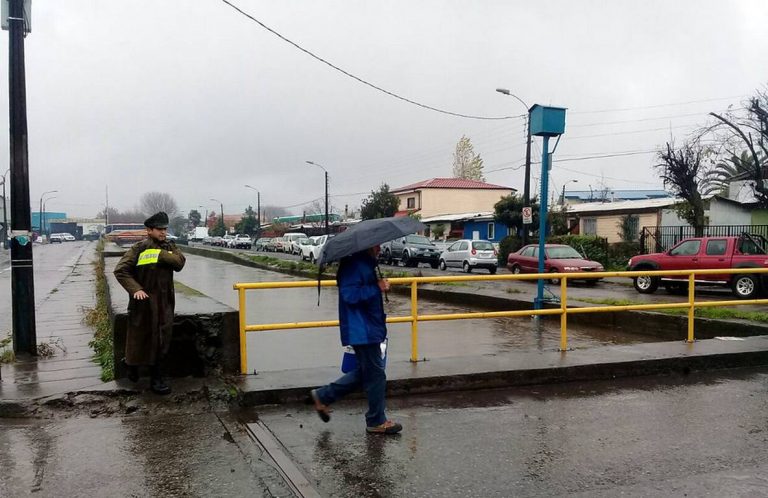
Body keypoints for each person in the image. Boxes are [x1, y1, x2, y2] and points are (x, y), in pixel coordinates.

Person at [311, 244, 402, 435]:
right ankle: (376, 420)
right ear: (367, 245)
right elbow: (349, 295)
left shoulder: (364, 263)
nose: (379, 249)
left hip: (368, 327)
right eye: (376, 246)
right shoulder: (354, 265)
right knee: (376, 374)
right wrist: (376, 287)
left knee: (365, 372)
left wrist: (376, 286)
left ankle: (323, 396)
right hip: (362, 329)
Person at [114, 211, 186, 395]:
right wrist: (135, 289)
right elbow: (121, 270)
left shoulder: (170, 246)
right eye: (159, 229)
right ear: (149, 230)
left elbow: (179, 263)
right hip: (144, 302)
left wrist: (160, 254)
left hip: (165, 302)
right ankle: (130, 364)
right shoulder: (139, 248)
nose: (163, 232)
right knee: (141, 339)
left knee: (162, 340)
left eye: (165, 229)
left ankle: (157, 379)